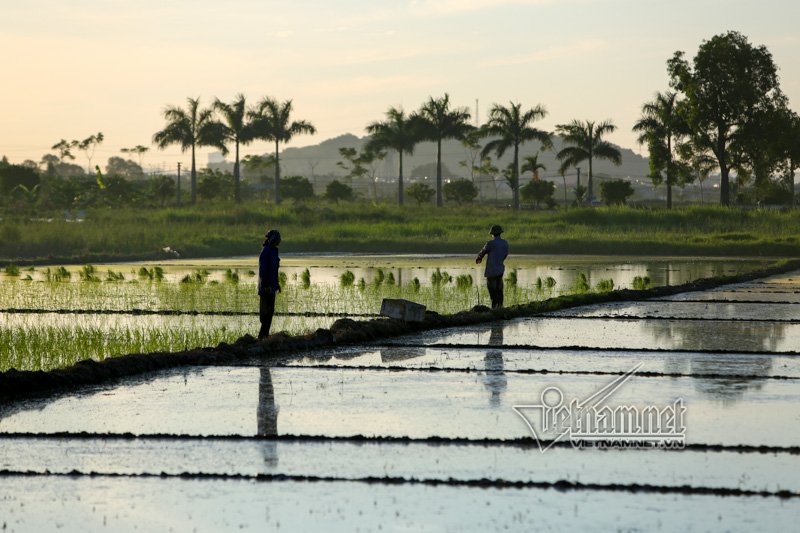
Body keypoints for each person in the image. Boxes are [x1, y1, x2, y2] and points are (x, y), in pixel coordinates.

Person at [476, 224, 509, 309]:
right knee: (499, 289)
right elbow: (505, 255)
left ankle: (494, 309)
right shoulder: (505, 243)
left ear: (492, 234)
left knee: (492, 290)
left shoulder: (490, 243)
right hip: (500, 269)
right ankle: (500, 307)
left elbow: (483, 252)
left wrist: (479, 258)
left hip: (491, 270)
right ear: (500, 233)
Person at [258, 229, 282, 339]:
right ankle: (262, 337)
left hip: (272, 286)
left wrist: (277, 284)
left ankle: (265, 336)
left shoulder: (274, 251)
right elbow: (263, 271)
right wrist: (265, 285)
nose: (278, 241)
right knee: (265, 313)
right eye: (277, 239)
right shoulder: (266, 252)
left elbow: (274, 271)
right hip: (266, 287)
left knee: (270, 311)